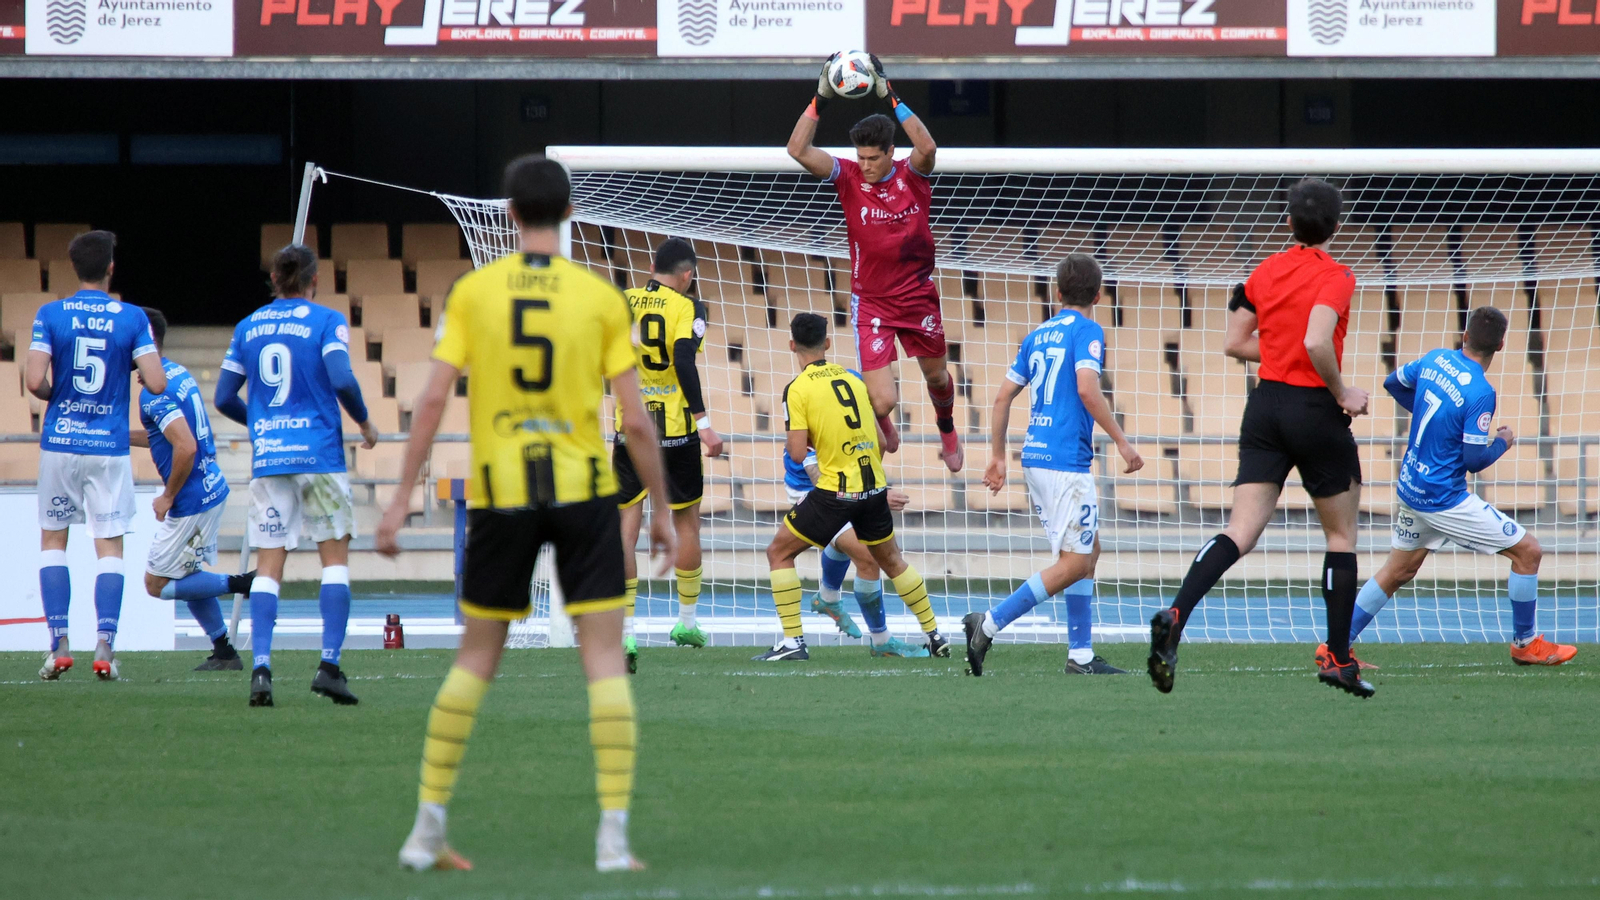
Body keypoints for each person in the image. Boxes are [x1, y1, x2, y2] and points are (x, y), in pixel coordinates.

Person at [379, 154, 674, 874]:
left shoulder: (476, 292)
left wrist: (398, 497)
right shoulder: (600, 296)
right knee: (603, 658)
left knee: (476, 659)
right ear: (570, 214)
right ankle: (611, 841)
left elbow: (431, 400)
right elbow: (636, 421)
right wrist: (663, 510)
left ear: (508, 214)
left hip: (503, 492)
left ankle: (425, 832)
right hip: (582, 490)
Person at [1146, 179, 1375, 698]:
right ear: (1337, 226)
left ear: (1288, 222)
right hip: (1314, 408)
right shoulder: (1337, 276)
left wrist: (1278, 355)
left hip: (1265, 407)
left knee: (1239, 532)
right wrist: (1342, 391)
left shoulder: (1265, 270)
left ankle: (1177, 615)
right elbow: (1317, 338)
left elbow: (1234, 342)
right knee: (1340, 539)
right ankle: (1338, 659)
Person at [1342, 307, 1576, 667]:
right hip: (1443, 498)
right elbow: (1473, 461)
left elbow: (1393, 383)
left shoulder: (1436, 359)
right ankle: (1525, 643)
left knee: (1397, 571)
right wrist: (1503, 442)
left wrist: (1428, 417)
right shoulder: (1481, 392)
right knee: (1528, 552)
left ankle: (1337, 644)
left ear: (1464, 335)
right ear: (1500, 345)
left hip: (1411, 485)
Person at [962, 254, 1142, 677]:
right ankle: (987, 624)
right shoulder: (1088, 330)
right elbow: (1086, 387)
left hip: (1035, 455)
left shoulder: (1037, 335)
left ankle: (1080, 656)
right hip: (1066, 460)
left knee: (1087, 549)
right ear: (1099, 295)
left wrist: (997, 456)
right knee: (1076, 561)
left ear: (1057, 293)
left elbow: (1002, 397)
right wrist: (1122, 441)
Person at [215, 245, 378, 707]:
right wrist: (365, 423)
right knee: (335, 563)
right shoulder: (326, 321)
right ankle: (328, 666)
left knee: (269, 567)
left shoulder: (248, 326)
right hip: (320, 458)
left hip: (271, 460)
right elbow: (342, 379)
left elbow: (225, 395)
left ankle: (261, 670)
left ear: (273, 278)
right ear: (315, 279)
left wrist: (262, 423)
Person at [786, 53, 963, 473]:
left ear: (890, 152)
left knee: (937, 378)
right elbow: (797, 149)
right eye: (860, 157)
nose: (864, 166)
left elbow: (928, 146)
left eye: (873, 158)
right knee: (882, 399)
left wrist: (890, 95)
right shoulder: (847, 177)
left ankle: (947, 427)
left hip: (918, 296)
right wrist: (819, 100)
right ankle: (884, 427)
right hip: (873, 303)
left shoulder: (912, 175)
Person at [754, 312, 949, 661]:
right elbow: (881, 442)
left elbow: (798, 453)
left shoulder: (797, 389)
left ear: (792, 345)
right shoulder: (855, 379)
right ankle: (935, 635)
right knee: (892, 561)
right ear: (828, 343)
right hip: (873, 489)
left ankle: (794, 642)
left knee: (779, 553)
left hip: (835, 494)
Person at [29, 230, 168, 682]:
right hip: (107, 447)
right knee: (109, 549)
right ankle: (105, 647)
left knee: (54, 542)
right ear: (111, 267)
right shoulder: (131, 319)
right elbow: (158, 382)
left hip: (60, 443)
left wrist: (60, 394)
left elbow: (33, 382)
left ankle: (60, 643)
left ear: (74, 267)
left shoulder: (50, 314)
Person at [614, 237, 724, 671]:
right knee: (686, 523)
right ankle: (686, 622)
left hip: (632, 430)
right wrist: (703, 421)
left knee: (626, 527)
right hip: (676, 433)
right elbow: (683, 360)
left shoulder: (622, 301)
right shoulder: (689, 307)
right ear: (687, 274)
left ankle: (625, 633)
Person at [130, 307, 254, 671]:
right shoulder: (178, 373)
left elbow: (185, 446)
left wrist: (167, 495)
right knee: (187, 574)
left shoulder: (154, 395)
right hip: (210, 486)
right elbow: (163, 435)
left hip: (192, 499)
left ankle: (242, 582)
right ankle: (224, 650)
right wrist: (116, 436)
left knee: (157, 584)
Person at [780, 444, 928, 658]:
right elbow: (819, 480)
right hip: (816, 497)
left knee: (862, 544)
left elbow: (886, 442)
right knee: (869, 557)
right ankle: (881, 641)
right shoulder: (815, 417)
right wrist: (877, 495)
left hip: (844, 493)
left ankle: (828, 596)